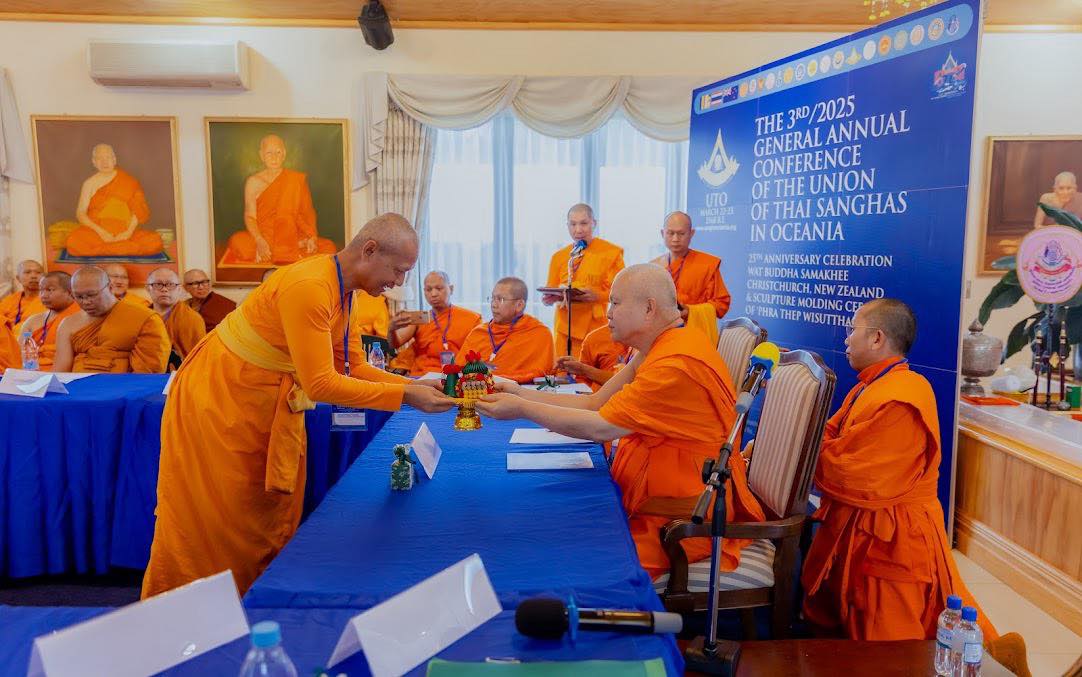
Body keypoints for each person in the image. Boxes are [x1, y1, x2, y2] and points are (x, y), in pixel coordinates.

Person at [142, 213, 454, 598]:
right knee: (224, 515)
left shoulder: (346, 290)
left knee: (266, 508)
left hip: (268, 396)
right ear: (369, 250)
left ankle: (258, 599)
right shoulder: (310, 286)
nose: (400, 282)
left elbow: (352, 365)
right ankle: (202, 608)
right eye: (398, 270)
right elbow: (320, 383)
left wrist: (414, 383)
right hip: (222, 397)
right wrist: (407, 396)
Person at [477, 264, 764, 577]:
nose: (607, 311)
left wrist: (521, 409)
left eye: (614, 302)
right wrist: (521, 393)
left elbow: (602, 427)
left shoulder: (674, 364)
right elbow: (595, 402)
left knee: (568, 558)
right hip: (655, 491)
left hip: (677, 517)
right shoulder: (660, 344)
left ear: (648, 308)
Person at [802, 298, 997, 640]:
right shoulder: (872, 385)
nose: (846, 339)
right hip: (866, 526)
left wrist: (799, 453)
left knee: (892, 646)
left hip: (893, 540)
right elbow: (828, 433)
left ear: (876, 338)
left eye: (852, 330)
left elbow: (857, 472)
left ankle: (999, 660)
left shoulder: (903, 396)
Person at [224, 134, 337, 264]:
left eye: (278, 152)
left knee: (329, 246)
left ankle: (284, 249)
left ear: (284, 154)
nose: (274, 157)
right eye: (269, 153)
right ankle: (291, 249)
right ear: (261, 155)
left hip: (292, 234)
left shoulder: (296, 180)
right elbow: (250, 216)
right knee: (237, 241)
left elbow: (307, 213)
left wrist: (312, 237)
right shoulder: (253, 182)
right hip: (265, 236)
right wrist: (260, 241)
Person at [52, 266, 171, 373]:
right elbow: (61, 374)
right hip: (78, 392)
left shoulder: (145, 319)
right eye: (79, 297)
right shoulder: (68, 324)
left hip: (126, 392)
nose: (86, 302)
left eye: (92, 295)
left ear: (110, 287)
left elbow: (149, 373)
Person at [543, 204, 624, 358]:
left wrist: (597, 295)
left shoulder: (610, 253)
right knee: (562, 374)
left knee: (589, 374)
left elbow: (621, 293)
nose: (578, 230)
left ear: (594, 223)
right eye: (573, 224)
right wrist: (549, 298)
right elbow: (550, 289)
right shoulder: (559, 257)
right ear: (567, 226)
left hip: (594, 327)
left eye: (583, 223)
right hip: (564, 328)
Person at [65, 144, 164, 257]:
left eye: (107, 157)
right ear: (94, 162)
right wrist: (102, 232)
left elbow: (138, 209)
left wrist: (128, 232)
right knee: (74, 241)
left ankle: (108, 249)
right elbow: (80, 213)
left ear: (114, 160)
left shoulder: (129, 181)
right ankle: (119, 248)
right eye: (100, 158)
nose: (104, 162)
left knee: (154, 241)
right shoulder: (89, 184)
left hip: (124, 232)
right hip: (97, 233)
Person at [651, 211, 731, 344]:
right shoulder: (654, 267)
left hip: (695, 336)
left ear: (691, 234)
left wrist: (691, 311)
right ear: (662, 233)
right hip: (660, 335)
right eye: (670, 233)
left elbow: (721, 304)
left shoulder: (706, 265)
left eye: (681, 233)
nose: (675, 239)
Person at [456, 278, 554, 384]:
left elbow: (541, 373)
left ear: (519, 305)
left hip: (521, 394)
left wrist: (496, 379)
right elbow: (459, 370)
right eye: (492, 298)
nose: (493, 304)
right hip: (477, 391)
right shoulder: (479, 333)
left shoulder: (538, 333)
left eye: (500, 299)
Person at [390, 271, 481, 377]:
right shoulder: (421, 318)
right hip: (421, 377)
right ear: (424, 292)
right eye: (429, 290)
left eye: (439, 288)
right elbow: (395, 344)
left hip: (455, 377)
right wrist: (392, 329)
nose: (433, 294)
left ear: (451, 289)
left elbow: (477, 354)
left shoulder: (471, 318)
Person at [16, 271, 79, 371]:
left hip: (63, 372)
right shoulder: (32, 321)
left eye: (50, 290)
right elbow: (19, 353)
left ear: (70, 292)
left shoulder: (81, 317)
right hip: (30, 373)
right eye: (41, 290)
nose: (44, 295)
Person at [147, 267, 206, 366]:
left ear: (179, 289)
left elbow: (200, 357)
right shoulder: (142, 317)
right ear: (148, 288)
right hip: (146, 374)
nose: (164, 289)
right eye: (158, 284)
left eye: (170, 285)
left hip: (181, 374)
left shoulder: (192, 319)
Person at [556, 324, 633, 392]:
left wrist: (583, 369)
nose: (609, 313)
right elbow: (582, 384)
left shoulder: (642, 346)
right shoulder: (595, 338)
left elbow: (626, 382)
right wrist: (580, 369)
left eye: (617, 306)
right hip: (597, 403)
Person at [0, 260, 45, 330]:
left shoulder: (50, 300)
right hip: (9, 338)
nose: (33, 276)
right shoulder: (10, 300)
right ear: (18, 278)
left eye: (38, 272)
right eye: (27, 272)